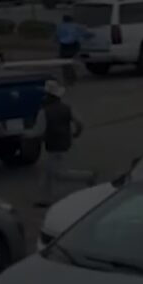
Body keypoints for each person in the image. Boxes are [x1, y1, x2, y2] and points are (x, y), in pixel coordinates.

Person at [34, 80, 96, 208]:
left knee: (58, 173)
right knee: (47, 172)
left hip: (53, 145)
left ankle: (87, 176)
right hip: (66, 142)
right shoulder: (66, 108)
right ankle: (44, 199)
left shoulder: (44, 112)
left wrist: (26, 135)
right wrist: (76, 133)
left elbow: (38, 131)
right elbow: (79, 123)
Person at [55, 15, 88, 84]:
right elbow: (84, 34)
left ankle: (68, 78)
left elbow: (57, 37)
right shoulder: (76, 26)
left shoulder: (60, 26)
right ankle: (72, 77)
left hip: (64, 46)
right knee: (71, 61)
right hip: (74, 46)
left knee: (65, 63)